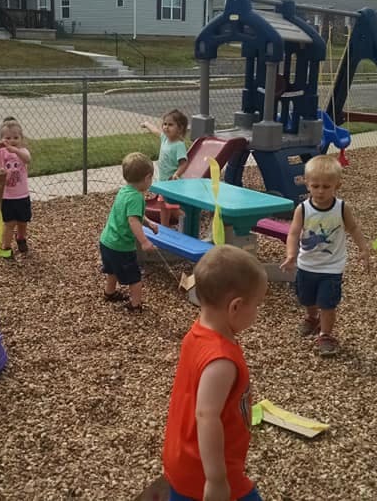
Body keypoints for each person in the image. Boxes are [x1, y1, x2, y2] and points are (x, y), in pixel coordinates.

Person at [162, 245, 268, 501]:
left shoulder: (197, 333)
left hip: (183, 460)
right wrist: (216, 480)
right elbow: (206, 416)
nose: (256, 313)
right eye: (256, 306)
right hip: (207, 469)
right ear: (235, 306)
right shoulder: (221, 361)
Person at [280, 155, 371, 356]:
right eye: (316, 186)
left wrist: (363, 249)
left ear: (337, 185)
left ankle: (326, 334)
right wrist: (291, 255)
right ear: (307, 184)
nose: (320, 191)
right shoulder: (302, 209)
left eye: (326, 187)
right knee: (307, 298)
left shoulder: (341, 208)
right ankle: (312, 318)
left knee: (327, 303)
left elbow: (354, 228)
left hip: (332, 267)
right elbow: (293, 233)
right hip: (306, 265)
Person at [99, 152, 159, 313]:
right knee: (134, 277)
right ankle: (136, 305)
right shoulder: (137, 198)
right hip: (121, 246)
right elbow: (133, 220)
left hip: (107, 241)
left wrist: (148, 222)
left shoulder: (124, 191)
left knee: (111, 269)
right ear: (147, 178)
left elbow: (135, 215)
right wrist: (145, 242)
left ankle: (109, 293)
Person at [0, 118, 32, 256]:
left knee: (23, 221)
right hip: (6, 196)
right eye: (8, 138)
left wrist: (15, 150)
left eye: (16, 137)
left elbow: (27, 159)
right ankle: (6, 247)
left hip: (22, 195)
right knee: (9, 223)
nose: (12, 140)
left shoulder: (22, 152)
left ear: (21, 138)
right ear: (2, 139)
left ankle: (21, 238)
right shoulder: (0, 153)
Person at [142, 109, 189, 227]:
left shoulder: (179, 145)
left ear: (180, 128)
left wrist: (177, 174)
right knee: (163, 205)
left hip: (173, 183)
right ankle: (164, 227)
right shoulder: (165, 139)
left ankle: (188, 222)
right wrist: (147, 124)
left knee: (172, 207)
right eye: (165, 124)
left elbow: (184, 163)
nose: (166, 127)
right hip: (164, 182)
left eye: (171, 125)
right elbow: (156, 131)